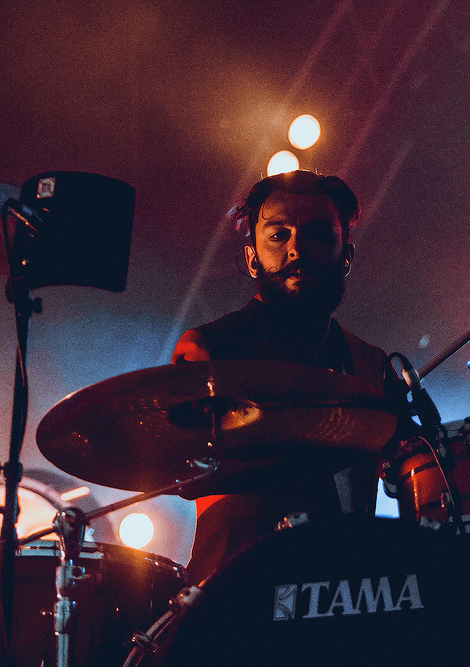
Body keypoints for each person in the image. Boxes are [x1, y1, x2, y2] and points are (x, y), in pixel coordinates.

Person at [172, 170, 404, 583]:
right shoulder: (209, 349)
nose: (297, 249)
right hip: (234, 591)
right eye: (279, 235)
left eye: (318, 233)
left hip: (345, 593)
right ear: (252, 259)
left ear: (346, 256)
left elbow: (414, 471)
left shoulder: (370, 364)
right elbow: (184, 470)